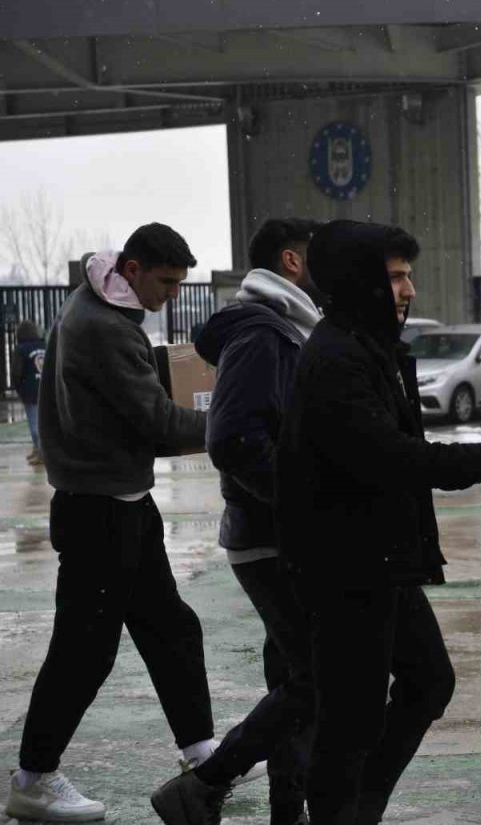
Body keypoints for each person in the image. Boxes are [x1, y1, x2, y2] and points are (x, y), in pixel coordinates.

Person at [164, 220, 481, 825]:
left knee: (404, 685)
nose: (409, 290)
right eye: (397, 277)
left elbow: (379, 446)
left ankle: (331, 804)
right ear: (362, 281)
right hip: (333, 554)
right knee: (335, 707)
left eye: (409, 275)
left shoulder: (358, 344)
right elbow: (365, 450)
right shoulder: (322, 351)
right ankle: (247, 794)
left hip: (371, 553)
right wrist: (472, 461)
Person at [5, 224, 214, 823]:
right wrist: (228, 423)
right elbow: (156, 420)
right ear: (132, 268)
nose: (172, 295)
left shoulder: (91, 303)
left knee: (170, 627)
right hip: (98, 509)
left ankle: (200, 749)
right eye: (167, 283)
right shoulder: (104, 327)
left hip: (119, 500)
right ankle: (33, 778)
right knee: (84, 651)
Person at [150, 219, 324, 825]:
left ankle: (287, 806)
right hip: (271, 538)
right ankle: (204, 785)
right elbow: (234, 441)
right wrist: (302, 501)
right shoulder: (263, 331)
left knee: (297, 678)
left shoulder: (286, 328)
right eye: (318, 257)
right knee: (321, 676)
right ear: (292, 262)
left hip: (276, 535)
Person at [9, 320, 45, 465]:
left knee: (34, 425)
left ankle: (41, 453)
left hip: (30, 392)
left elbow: (16, 372)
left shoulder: (20, 349)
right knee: (43, 423)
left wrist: (20, 390)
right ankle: (38, 449)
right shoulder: (44, 346)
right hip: (45, 390)